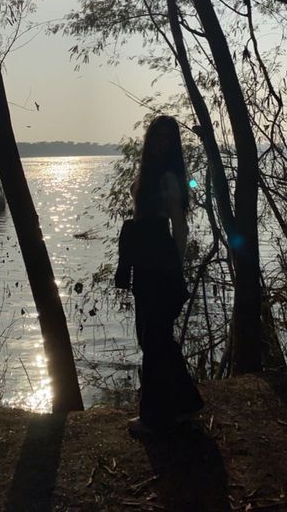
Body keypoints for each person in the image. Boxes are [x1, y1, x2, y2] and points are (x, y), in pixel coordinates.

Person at [115, 115, 203, 437]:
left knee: (154, 339)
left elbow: (180, 226)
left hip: (161, 262)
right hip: (145, 260)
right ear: (149, 140)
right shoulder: (147, 175)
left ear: (173, 145)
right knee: (155, 337)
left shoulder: (168, 178)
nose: (161, 143)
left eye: (168, 139)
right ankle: (182, 405)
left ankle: (152, 418)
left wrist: (177, 269)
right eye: (157, 137)